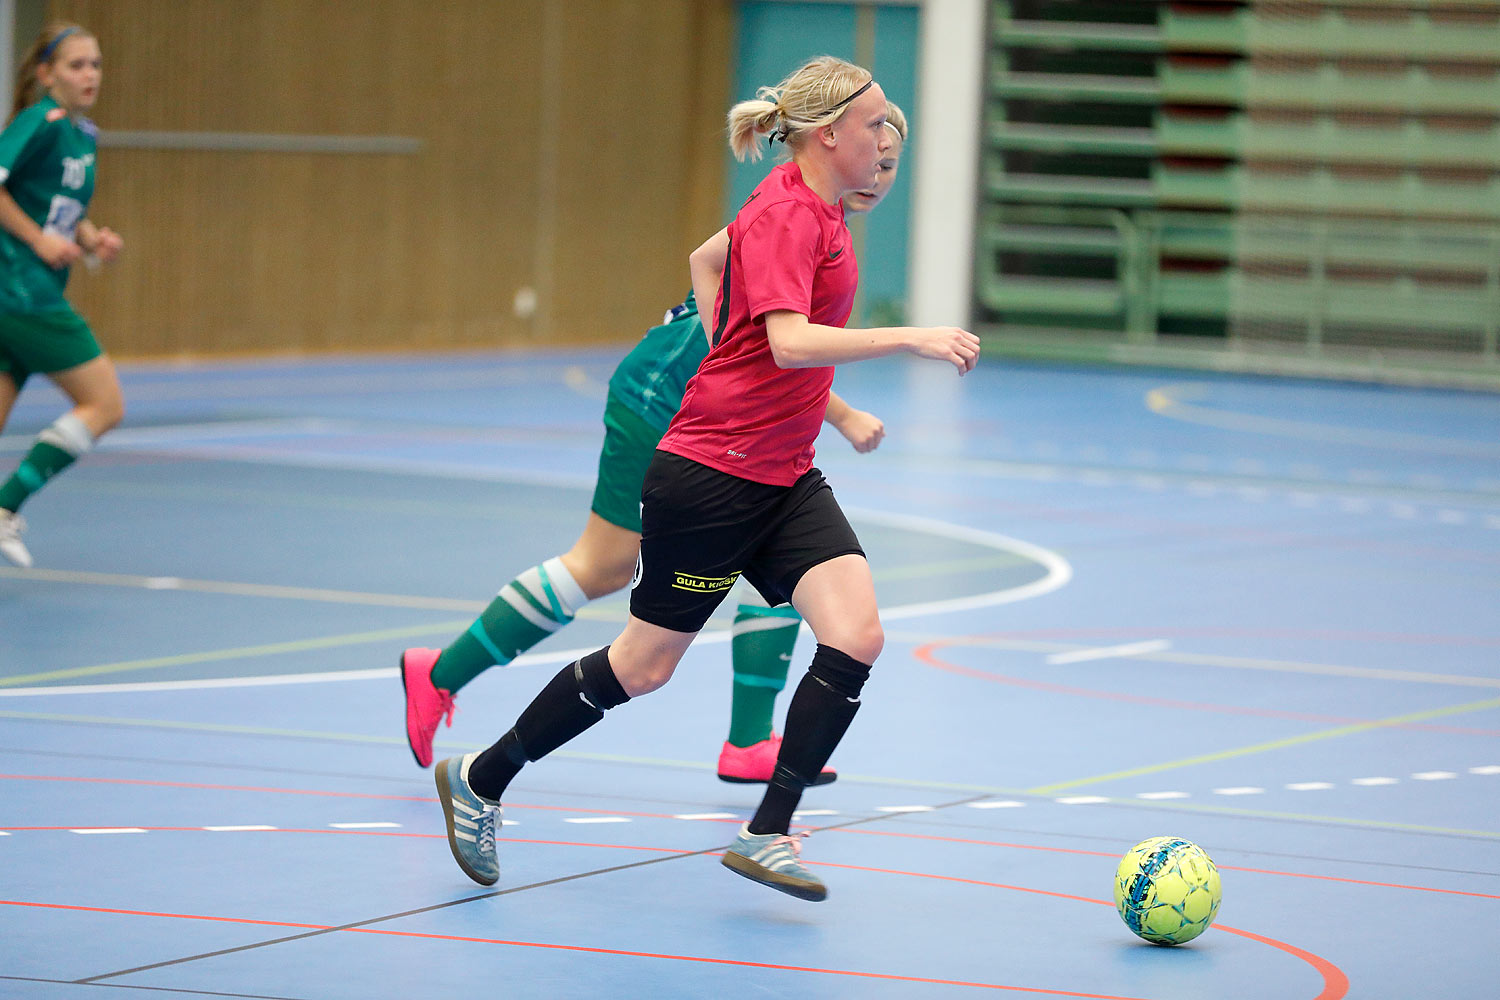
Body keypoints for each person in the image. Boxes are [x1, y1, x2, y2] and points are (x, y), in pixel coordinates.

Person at [433, 55, 978, 902]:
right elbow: (792, 341)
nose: (885, 137)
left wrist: (730, 338)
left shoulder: (814, 211)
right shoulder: (791, 214)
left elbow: (706, 257)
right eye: (874, 125)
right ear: (828, 134)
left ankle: (769, 832)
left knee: (856, 631)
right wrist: (908, 337)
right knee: (645, 666)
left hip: (785, 473)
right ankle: (483, 774)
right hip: (711, 477)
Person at [400, 101, 909, 786]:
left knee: (787, 563)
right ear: (832, 144)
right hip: (663, 400)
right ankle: (442, 672)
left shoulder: (829, 220)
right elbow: (752, 346)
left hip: (725, 428)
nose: (878, 171)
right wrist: (843, 413)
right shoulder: (793, 213)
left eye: (891, 163)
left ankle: (749, 743)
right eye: (872, 153)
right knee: (605, 566)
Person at [0, 23, 124, 569]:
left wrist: (89, 237)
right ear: (46, 74)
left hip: (32, 287)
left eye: (96, 64)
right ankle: (5, 507)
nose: (90, 75)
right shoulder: (40, 122)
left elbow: (56, 205)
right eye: (76, 65)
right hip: (19, 289)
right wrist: (37, 239)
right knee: (105, 403)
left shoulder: (83, 136)